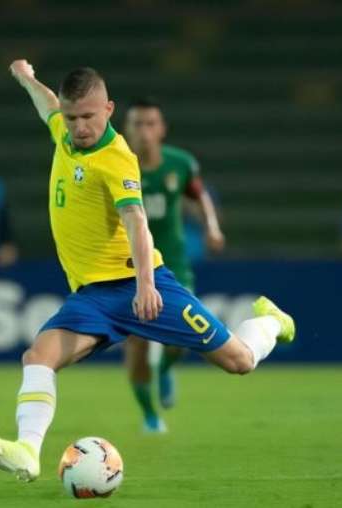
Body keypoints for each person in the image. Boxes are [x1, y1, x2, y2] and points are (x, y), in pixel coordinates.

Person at [0, 61, 296, 484]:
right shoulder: (63, 134)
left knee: (238, 361)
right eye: (72, 117)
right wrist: (26, 79)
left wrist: (145, 285)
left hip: (142, 285)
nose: (79, 126)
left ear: (108, 110)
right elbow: (46, 104)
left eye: (88, 116)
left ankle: (270, 320)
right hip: (91, 298)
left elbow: (137, 221)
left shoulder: (116, 159)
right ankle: (28, 451)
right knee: (38, 356)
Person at [121, 97, 226, 433]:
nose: (145, 131)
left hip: (172, 265)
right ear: (127, 129)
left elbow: (198, 195)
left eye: (151, 124)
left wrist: (211, 227)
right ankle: (150, 416)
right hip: (127, 266)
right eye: (138, 124)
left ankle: (165, 369)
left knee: (180, 339)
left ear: (162, 129)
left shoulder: (179, 164)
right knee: (137, 345)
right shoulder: (115, 163)